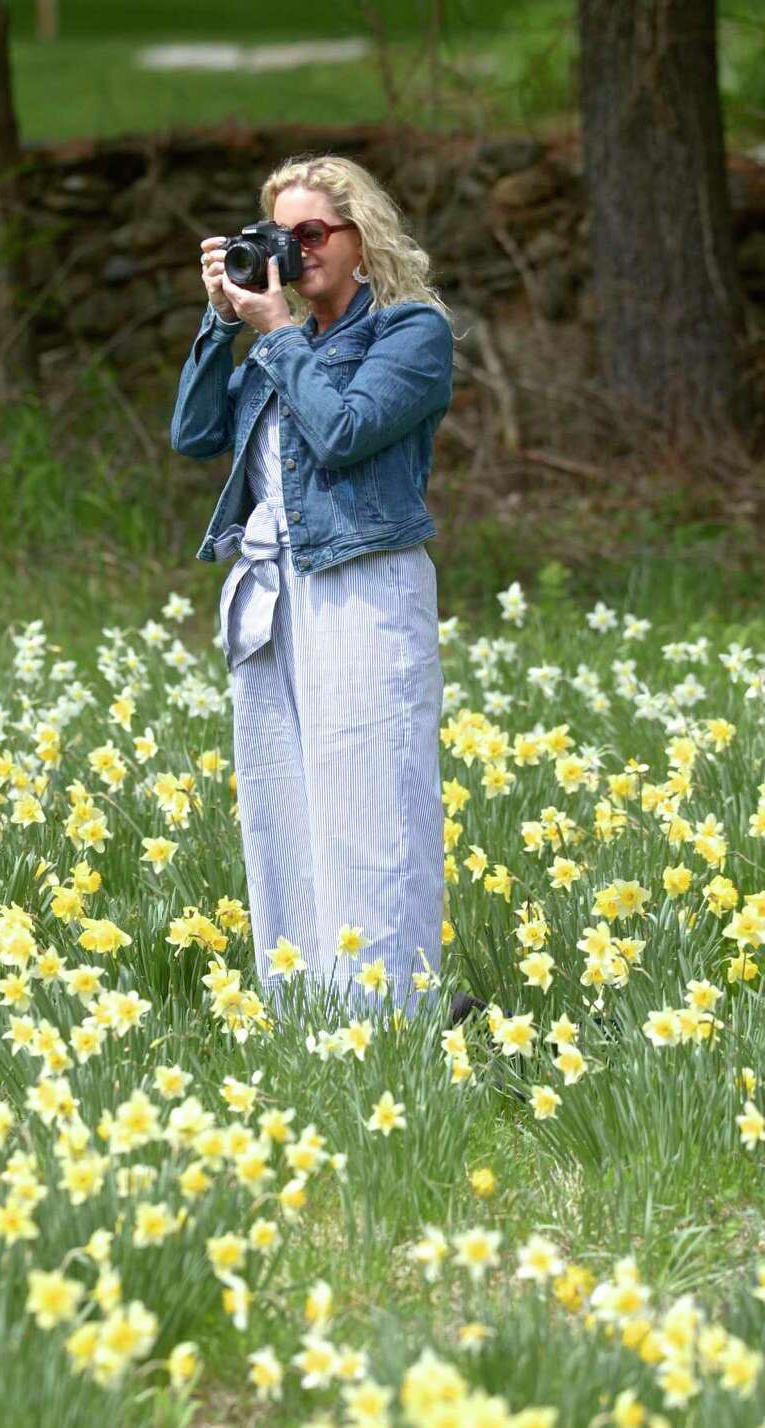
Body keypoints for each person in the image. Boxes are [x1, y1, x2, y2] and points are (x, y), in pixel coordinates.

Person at [170, 153, 462, 1027]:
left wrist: (277, 331)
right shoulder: (275, 343)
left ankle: (390, 1017)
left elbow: (342, 432)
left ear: (358, 238)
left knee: (371, 803)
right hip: (275, 597)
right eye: (279, 238)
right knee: (284, 804)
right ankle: (305, 1016)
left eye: (311, 234)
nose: (296, 252)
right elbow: (192, 434)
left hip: (365, 588)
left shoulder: (412, 334)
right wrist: (222, 321)